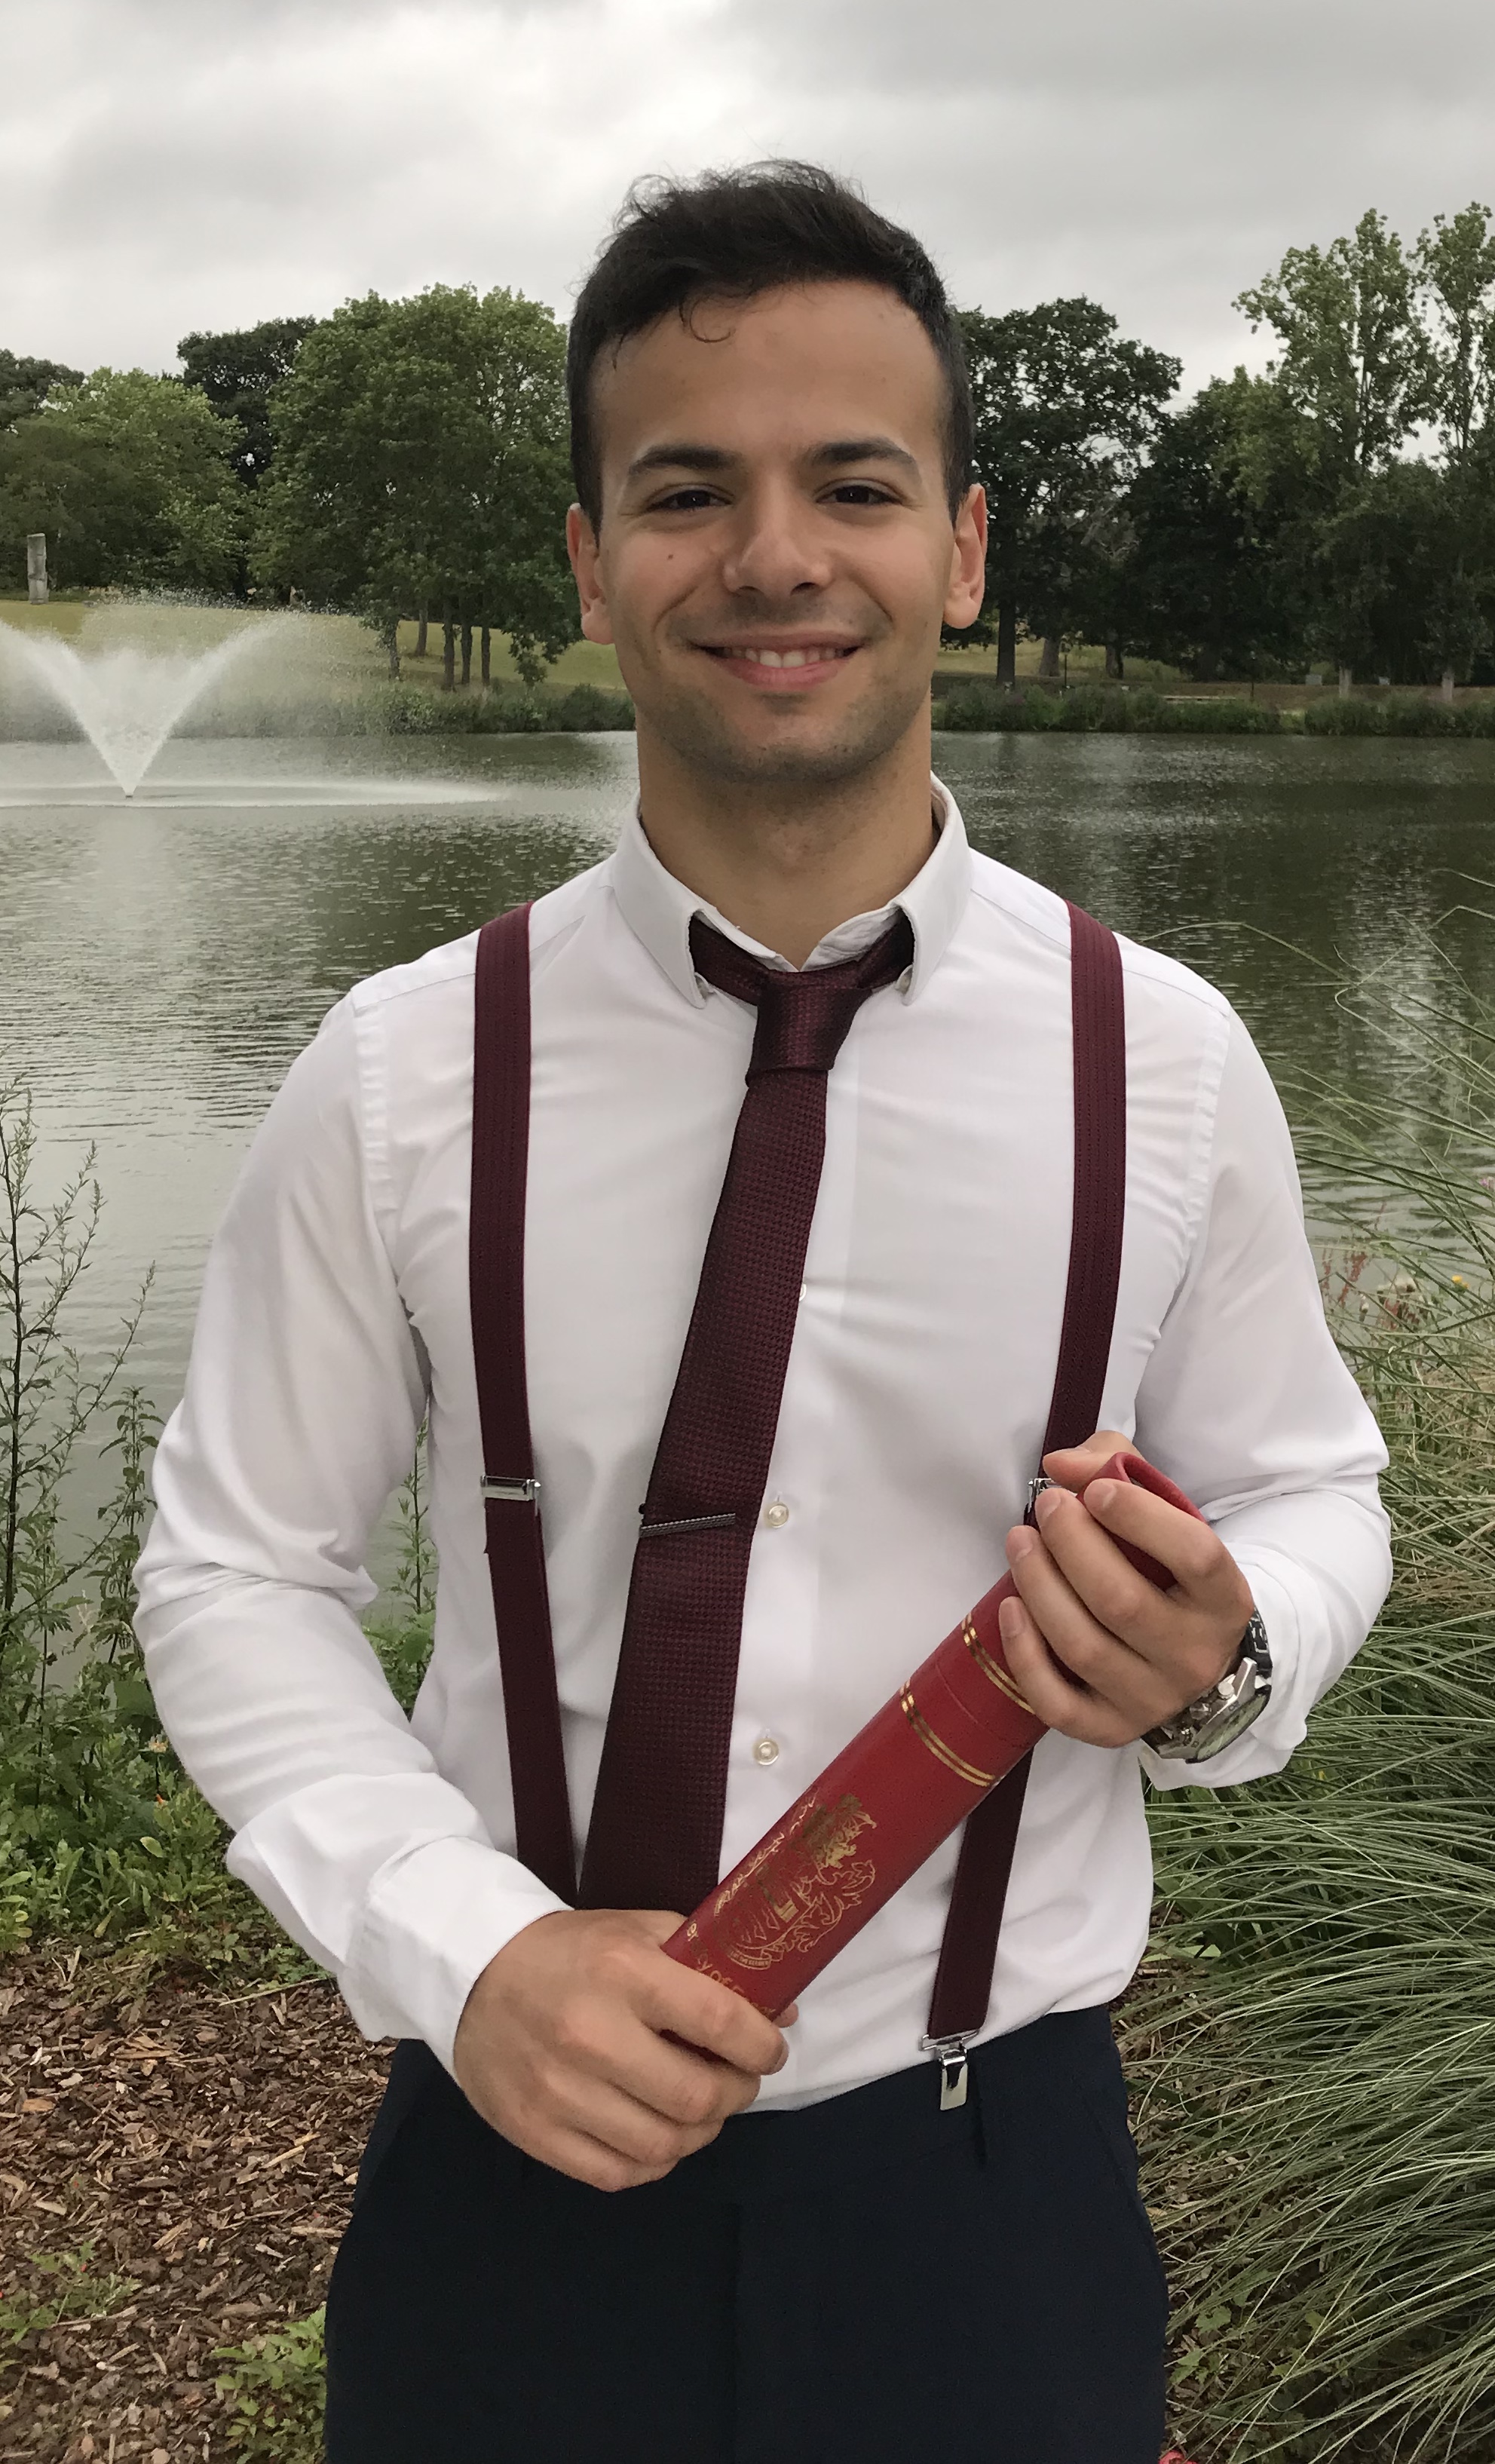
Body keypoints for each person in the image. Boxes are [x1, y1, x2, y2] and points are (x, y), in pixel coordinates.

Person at [135, 162, 1391, 2464]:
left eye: (856, 485)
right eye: (689, 490)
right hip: (506, 2167)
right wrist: (462, 1941)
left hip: (994, 2186)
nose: (777, 557)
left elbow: (1314, 1482)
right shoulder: (408, 1069)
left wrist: (1227, 1656)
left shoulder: (1171, 1058)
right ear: (591, 558)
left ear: (969, 548)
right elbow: (237, 1565)